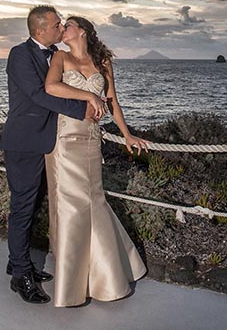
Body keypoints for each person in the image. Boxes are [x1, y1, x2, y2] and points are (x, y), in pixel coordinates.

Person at [44, 15, 148, 307]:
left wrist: (127, 135)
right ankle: (71, 286)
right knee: (70, 209)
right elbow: (51, 88)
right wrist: (89, 95)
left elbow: (113, 101)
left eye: (68, 25)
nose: (63, 29)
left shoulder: (103, 63)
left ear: (83, 31)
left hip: (91, 140)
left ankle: (106, 276)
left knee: (95, 202)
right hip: (64, 141)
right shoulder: (60, 58)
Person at [0, 5, 100, 304]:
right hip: (24, 144)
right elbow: (39, 95)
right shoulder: (20, 54)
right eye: (57, 24)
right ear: (41, 30)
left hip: (48, 143)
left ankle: (18, 262)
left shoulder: (56, 55)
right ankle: (20, 277)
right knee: (22, 209)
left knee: (33, 205)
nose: (61, 28)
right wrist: (84, 108)